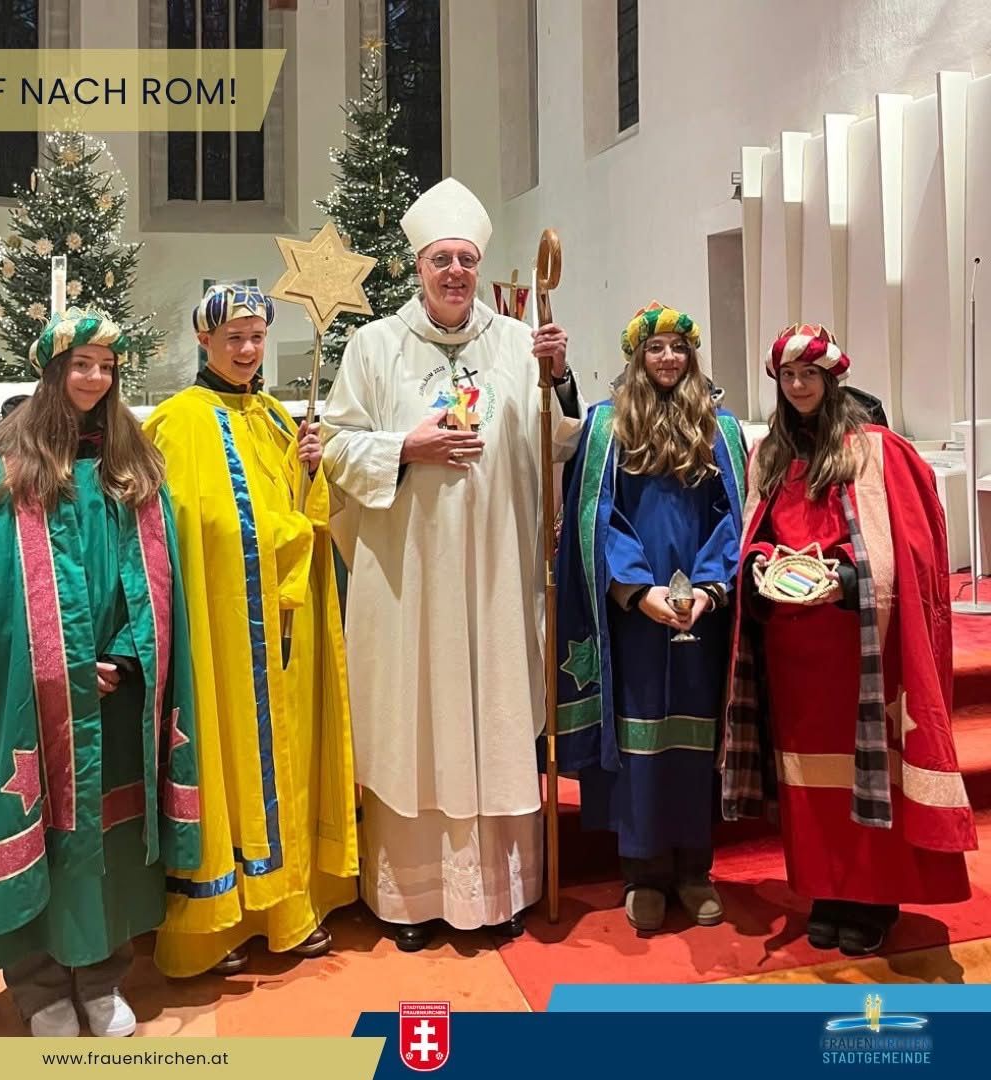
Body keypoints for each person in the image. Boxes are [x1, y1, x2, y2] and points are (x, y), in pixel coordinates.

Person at [320, 177, 585, 951]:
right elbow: (335, 447)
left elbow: (556, 441)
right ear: (419, 268)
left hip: (495, 578)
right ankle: (410, 901)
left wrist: (558, 376)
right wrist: (407, 447)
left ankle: (500, 892)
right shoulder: (373, 347)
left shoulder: (514, 342)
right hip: (410, 584)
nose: (456, 273)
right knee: (414, 726)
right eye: (442, 260)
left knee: (496, 717)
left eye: (467, 260)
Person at [0, 307, 199, 1037]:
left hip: (117, 695)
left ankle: (103, 975)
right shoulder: (4, 477)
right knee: (45, 827)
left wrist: (117, 655)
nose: (94, 378)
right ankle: (40, 983)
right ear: (53, 374)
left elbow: (161, 581)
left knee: (109, 835)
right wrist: (61, 666)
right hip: (37, 703)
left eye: (106, 367)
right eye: (80, 365)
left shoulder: (133, 468)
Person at [722, 323, 975, 955]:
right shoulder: (770, 455)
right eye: (788, 376)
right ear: (777, 383)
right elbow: (755, 528)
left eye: (810, 375)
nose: (800, 385)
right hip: (793, 649)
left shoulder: (877, 450)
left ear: (833, 379)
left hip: (857, 643)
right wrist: (758, 565)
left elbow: (915, 547)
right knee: (810, 786)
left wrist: (844, 576)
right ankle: (827, 891)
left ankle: (872, 899)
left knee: (869, 776)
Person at [145, 283, 357, 977]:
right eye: (233, 338)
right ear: (203, 342)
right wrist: (281, 534)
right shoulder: (178, 421)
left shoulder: (273, 416)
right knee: (229, 755)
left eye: (257, 338)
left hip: (282, 619)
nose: (246, 350)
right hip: (222, 626)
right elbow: (191, 524)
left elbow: (306, 510)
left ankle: (285, 906)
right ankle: (213, 922)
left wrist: (309, 474)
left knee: (285, 760)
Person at [556, 302, 745, 931]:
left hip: (704, 608)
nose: (668, 359)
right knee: (641, 738)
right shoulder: (606, 427)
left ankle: (694, 868)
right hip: (635, 614)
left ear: (693, 357)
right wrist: (638, 591)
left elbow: (733, 514)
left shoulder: (721, 427)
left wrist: (713, 588)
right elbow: (597, 517)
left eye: (679, 349)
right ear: (636, 357)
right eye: (655, 349)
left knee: (695, 740)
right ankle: (642, 870)